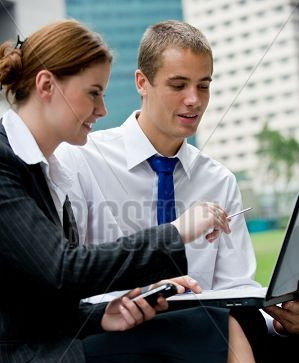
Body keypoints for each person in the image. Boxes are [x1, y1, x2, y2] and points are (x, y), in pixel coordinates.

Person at [0, 20, 283, 363]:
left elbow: (239, 287)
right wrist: (176, 233)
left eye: (204, 86)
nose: (102, 108)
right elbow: (62, 270)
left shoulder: (47, 168)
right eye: (94, 94)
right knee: (219, 338)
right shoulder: (68, 161)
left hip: (102, 331)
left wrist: (108, 312)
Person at [56, 20, 259, 292]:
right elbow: (68, 277)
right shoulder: (81, 160)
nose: (194, 100)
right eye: (178, 86)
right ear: (142, 82)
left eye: (203, 86)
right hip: (112, 332)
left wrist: (277, 321)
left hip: (200, 332)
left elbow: (238, 290)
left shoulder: (220, 180)